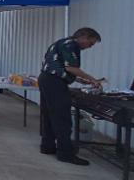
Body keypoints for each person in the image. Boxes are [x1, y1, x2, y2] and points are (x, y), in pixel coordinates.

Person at [39, 27, 103, 166]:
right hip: (54, 83)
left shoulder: (62, 42)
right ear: (84, 36)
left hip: (46, 78)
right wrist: (93, 80)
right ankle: (65, 154)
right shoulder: (72, 45)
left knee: (50, 115)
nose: (89, 47)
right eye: (90, 43)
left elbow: (61, 67)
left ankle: (47, 146)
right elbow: (71, 68)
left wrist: (80, 80)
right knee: (63, 118)